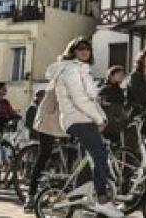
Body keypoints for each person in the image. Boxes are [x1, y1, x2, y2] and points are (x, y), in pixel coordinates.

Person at [50, 36, 122, 217]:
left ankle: (77, 200)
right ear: (73, 51)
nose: (84, 51)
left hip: (84, 118)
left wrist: (101, 118)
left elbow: (93, 99)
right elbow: (80, 99)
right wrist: (99, 119)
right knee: (100, 155)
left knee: (87, 160)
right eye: (80, 48)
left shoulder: (83, 70)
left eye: (87, 49)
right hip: (77, 119)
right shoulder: (70, 70)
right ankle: (102, 200)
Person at [99, 65, 128, 145]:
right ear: (111, 75)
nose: (121, 76)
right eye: (119, 74)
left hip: (116, 124)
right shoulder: (105, 89)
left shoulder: (119, 90)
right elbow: (103, 105)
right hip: (108, 124)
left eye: (122, 75)